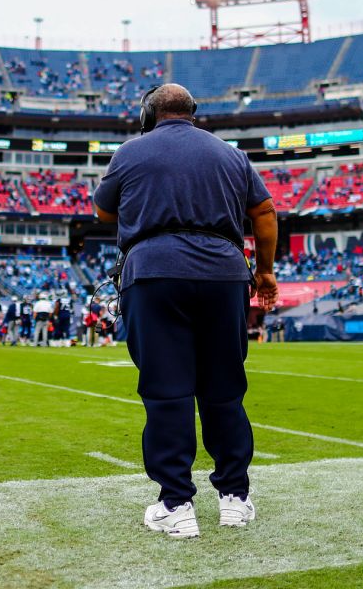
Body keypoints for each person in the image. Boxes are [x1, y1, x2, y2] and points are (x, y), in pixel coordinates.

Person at [93, 83, 279, 539]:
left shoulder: (130, 152)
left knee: (167, 393)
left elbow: (102, 212)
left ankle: (176, 504)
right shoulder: (231, 155)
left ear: (148, 115)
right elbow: (266, 214)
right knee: (224, 391)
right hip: (224, 272)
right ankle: (235, 498)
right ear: (192, 112)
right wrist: (267, 272)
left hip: (154, 273)